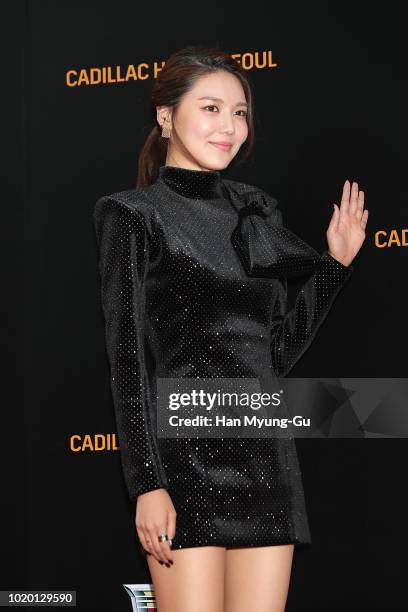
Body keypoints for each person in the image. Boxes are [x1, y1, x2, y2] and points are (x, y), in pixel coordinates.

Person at [93, 45, 368, 612]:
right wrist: (146, 482)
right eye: (212, 108)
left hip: (267, 460)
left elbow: (277, 353)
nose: (229, 127)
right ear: (166, 116)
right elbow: (126, 362)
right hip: (182, 461)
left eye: (239, 112)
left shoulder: (256, 211)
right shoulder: (133, 215)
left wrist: (333, 268)